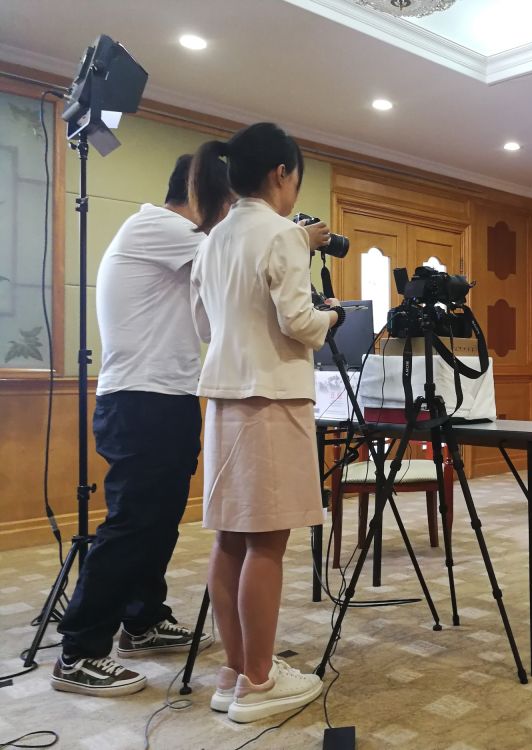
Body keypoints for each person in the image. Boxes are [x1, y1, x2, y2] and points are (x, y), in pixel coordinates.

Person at [52, 155, 225, 697]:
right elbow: (235, 258)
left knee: (159, 521)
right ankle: (79, 652)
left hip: (168, 397)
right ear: (202, 195)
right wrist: (295, 238)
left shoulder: (183, 248)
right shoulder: (159, 227)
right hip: (139, 400)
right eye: (229, 204)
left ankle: (143, 619)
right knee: (132, 525)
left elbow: (208, 320)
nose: (229, 216)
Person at [188, 122, 341, 724]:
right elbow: (299, 323)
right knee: (267, 545)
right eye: (295, 177)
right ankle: (258, 681)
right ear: (281, 173)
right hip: (271, 399)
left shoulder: (213, 239)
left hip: (223, 399)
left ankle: (234, 671)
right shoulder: (283, 234)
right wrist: (332, 318)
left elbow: (203, 326)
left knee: (229, 538)